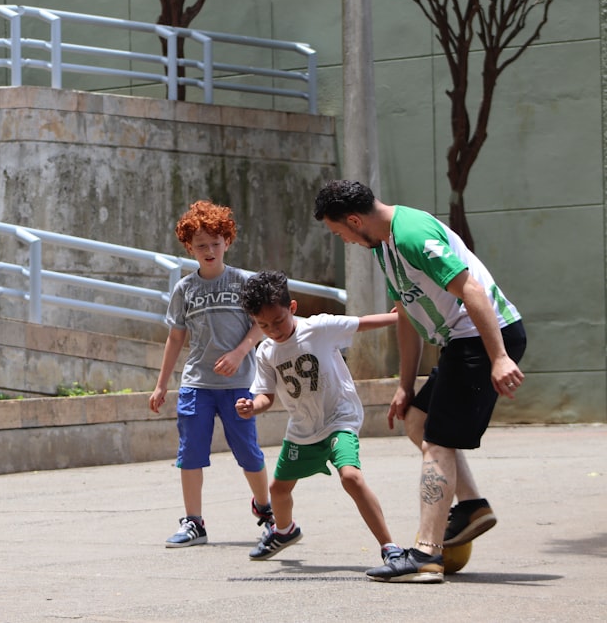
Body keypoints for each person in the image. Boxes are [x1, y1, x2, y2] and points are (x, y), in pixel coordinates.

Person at [313, 180, 527, 583]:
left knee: (436, 441)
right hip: (462, 341)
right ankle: (472, 507)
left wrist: (498, 357)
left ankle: (426, 554)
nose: (344, 240)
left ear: (355, 220)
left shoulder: (411, 234)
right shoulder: (383, 243)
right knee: (416, 419)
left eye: (339, 232)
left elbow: (472, 289)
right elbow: (407, 314)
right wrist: (405, 385)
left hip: (482, 337)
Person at [234, 270, 403, 565]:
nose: (273, 330)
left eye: (278, 321)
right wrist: (253, 407)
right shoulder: (265, 352)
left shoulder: (319, 328)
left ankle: (390, 547)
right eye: (263, 325)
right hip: (302, 429)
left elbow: (361, 324)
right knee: (277, 490)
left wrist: (400, 317)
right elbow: (266, 396)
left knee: (350, 476)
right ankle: (284, 531)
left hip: (340, 418)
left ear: (293, 308)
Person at [149, 200, 272, 548]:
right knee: (190, 454)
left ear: (227, 243)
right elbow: (175, 338)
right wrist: (161, 386)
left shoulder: (245, 283)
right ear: (189, 247)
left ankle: (265, 511)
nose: (209, 250)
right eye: (201, 245)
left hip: (238, 384)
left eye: (215, 243)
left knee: (248, 452)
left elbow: (260, 328)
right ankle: (194, 522)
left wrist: (239, 352)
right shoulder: (185, 289)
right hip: (196, 385)